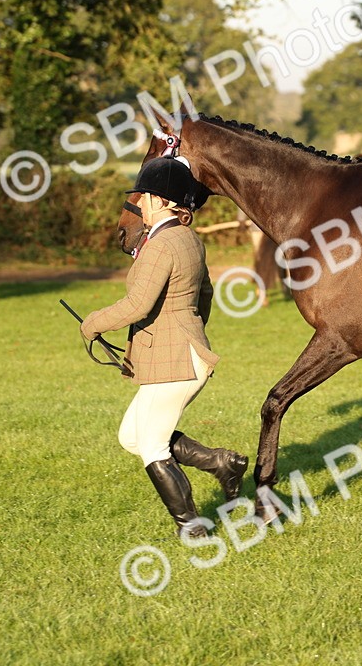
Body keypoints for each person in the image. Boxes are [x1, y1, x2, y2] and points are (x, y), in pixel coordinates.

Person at [80, 157, 247, 539]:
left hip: (176, 359)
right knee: (132, 437)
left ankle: (193, 528)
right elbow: (205, 295)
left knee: (153, 445)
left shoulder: (160, 245)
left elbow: (137, 305)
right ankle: (221, 463)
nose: (137, 204)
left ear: (157, 200)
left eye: (142, 197)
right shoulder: (189, 239)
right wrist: (190, 329)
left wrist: (93, 323)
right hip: (183, 352)